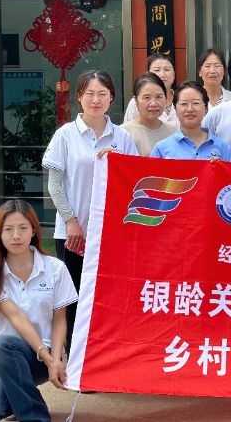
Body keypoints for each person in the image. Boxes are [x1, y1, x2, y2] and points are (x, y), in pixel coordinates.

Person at [42, 70, 138, 349]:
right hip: (73, 234)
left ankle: (102, 356)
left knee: (107, 297)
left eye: (102, 94)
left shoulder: (122, 137)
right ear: (79, 98)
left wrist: (119, 162)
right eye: (90, 94)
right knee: (73, 297)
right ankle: (74, 356)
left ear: (112, 98)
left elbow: (134, 183)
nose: (96, 100)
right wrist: (71, 221)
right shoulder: (65, 135)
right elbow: (55, 186)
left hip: (111, 234)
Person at [0, 200, 78, 422]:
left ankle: (34, 417)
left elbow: (59, 319)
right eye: (8, 229)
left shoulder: (55, 268)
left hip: (39, 359)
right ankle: (20, 396)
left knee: (0, 345)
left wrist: (55, 358)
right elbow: (16, 317)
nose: (16, 236)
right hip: (1, 357)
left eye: (23, 228)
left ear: (34, 231)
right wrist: (48, 358)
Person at [152, 80, 231, 161]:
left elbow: (230, 169)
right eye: (184, 104)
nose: (190, 109)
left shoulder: (222, 147)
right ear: (176, 109)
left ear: (206, 109)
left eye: (195, 103)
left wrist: (221, 167)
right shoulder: (161, 149)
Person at [121, 72, 176, 156]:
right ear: (136, 101)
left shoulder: (173, 133)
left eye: (158, 97)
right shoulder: (123, 133)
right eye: (147, 98)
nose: (153, 103)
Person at [124, 52, 178, 127]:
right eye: (157, 70)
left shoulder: (181, 99)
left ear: (174, 74)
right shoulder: (136, 102)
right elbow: (127, 129)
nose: (162, 74)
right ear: (148, 73)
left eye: (167, 69)